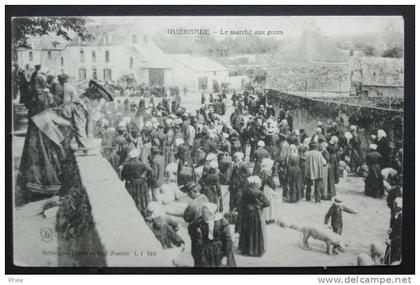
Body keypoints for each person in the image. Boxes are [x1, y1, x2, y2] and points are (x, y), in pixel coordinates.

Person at [16, 80, 113, 205]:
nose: (98, 104)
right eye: (98, 100)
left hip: (45, 124)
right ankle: (36, 192)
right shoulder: (81, 106)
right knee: (43, 158)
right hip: (44, 127)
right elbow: (80, 131)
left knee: (45, 158)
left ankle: (35, 191)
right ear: (93, 98)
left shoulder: (82, 102)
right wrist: (88, 149)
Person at [188, 202, 236, 267]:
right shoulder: (201, 220)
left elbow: (227, 239)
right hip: (205, 247)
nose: (202, 214)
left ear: (211, 213)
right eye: (202, 212)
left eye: (204, 213)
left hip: (219, 248)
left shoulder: (222, 222)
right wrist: (197, 236)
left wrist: (225, 255)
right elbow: (191, 228)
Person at [238, 176, 270, 257]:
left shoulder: (245, 190)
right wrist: (260, 206)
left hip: (246, 212)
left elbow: (241, 202)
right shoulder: (259, 192)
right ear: (256, 183)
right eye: (259, 184)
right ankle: (254, 250)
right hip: (255, 213)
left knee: (246, 231)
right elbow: (267, 203)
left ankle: (245, 249)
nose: (260, 185)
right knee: (255, 231)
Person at [121, 148, 154, 217]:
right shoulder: (141, 164)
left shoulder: (126, 165)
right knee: (141, 198)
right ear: (136, 156)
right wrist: (145, 177)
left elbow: (122, 176)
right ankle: (143, 212)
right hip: (140, 183)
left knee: (132, 198)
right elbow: (151, 170)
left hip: (130, 184)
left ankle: (132, 212)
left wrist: (126, 179)